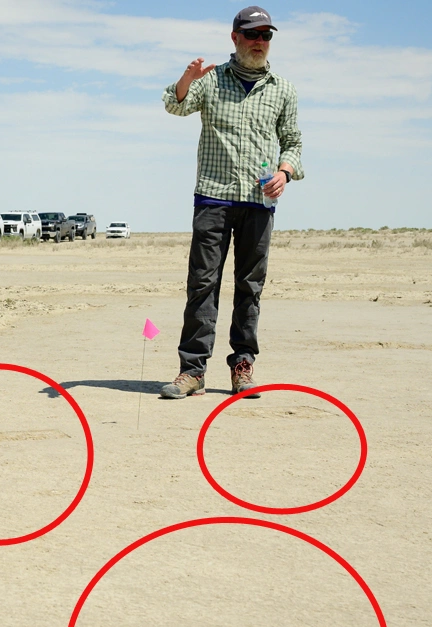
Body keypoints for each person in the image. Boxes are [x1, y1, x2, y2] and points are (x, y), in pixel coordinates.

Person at [159, 6, 303, 399]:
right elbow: (175, 105)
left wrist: (284, 173)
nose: (260, 42)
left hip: (259, 201)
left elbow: (293, 142)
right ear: (235, 37)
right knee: (202, 285)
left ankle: (243, 366)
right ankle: (192, 371)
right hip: (213, 198)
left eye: (266, 36)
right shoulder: (212, 81)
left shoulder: (283, 89)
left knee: (249, 286)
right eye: (253, 34)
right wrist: (187, 78)